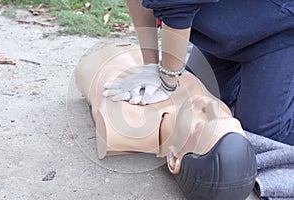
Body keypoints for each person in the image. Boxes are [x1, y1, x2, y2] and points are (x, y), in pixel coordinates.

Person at [75, 43, 257, 200]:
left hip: (111, 53)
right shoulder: (207, 104)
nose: (209, 105)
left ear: (173, 158)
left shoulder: (126, 122)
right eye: (226, 118)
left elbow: (94, 76)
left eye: (201, 124)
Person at [104, 0, 294, 146]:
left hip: (279, 29)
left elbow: (178, 6)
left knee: (263, 135)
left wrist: (168, 77)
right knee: (192, 105)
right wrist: (151, 66)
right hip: (223, 32)